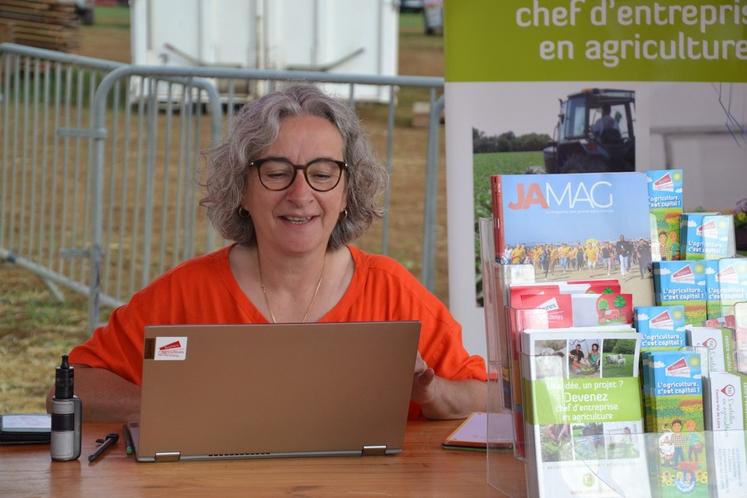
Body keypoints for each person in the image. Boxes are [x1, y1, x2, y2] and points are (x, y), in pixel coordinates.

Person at [49, 85, 487, 422]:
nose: (301, 194)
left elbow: (486, 395)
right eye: (276, 172)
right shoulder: (187, 293)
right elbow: (67, 390)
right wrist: (169, 407)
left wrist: (432, 394)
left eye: (322, 173)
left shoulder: (391, 292)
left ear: (348, 192)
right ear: (240, 189)